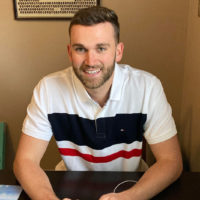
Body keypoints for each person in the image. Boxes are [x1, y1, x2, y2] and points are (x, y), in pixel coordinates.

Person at [13, 6, 183, 200]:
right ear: (70, 52)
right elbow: (25, 161)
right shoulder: (47, 89)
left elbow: (171, 161)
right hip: (69, 186)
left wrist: (130, 197)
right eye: (80, 49)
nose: (90, 60)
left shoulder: (148, 87)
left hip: (133, 186)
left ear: (118, 52)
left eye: (101, 48)